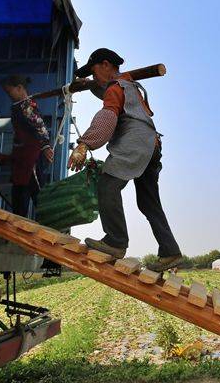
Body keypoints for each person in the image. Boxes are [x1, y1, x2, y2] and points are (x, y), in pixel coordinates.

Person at [68, 48, 182, 271]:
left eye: (94, 72)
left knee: (108, 184)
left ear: (106, 65)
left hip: (135, 142)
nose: (93, 78)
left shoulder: (115, 87)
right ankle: (170, 251)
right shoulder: (129, 85)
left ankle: (116, 241)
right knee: (148, 202)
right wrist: (85, 85)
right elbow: (103, 92)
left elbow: (108, 114)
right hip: (151, 145)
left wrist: (85, 143)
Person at [0, 75, 54, 218]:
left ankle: (48, 224)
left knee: (37, 194)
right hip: (21, 157)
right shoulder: (18, 106)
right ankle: (18, 223)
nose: (8, 95)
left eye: (9, 91)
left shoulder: (26, 106)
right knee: (19, 191)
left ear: (19, 88)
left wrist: (46, 146)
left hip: (31, 157)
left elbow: (40, 126)